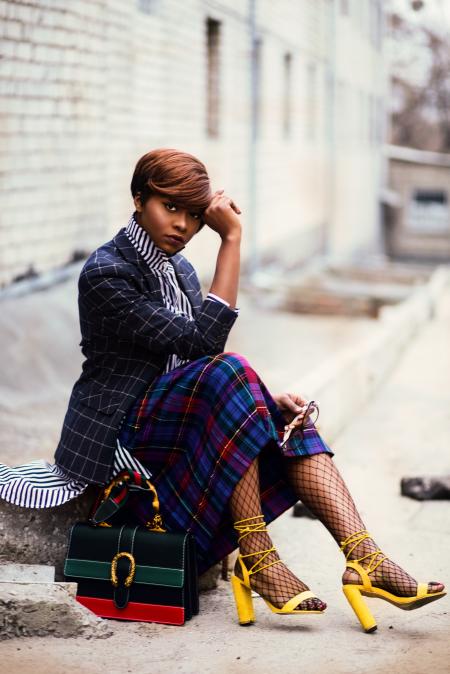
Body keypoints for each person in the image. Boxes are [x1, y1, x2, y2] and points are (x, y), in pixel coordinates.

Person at [0, 148, 445, 632]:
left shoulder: (181, 271)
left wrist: (263, 400)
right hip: (119, 438)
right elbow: (205, 346)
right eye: (169, 208)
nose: (183, 226)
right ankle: (258, 556)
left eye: (194, 215)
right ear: (138, 198)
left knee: (285, 419)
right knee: (230, 368)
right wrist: (230, 239)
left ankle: (366, 559)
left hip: (171, 425)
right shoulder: (108, 272)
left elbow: (199, 363)